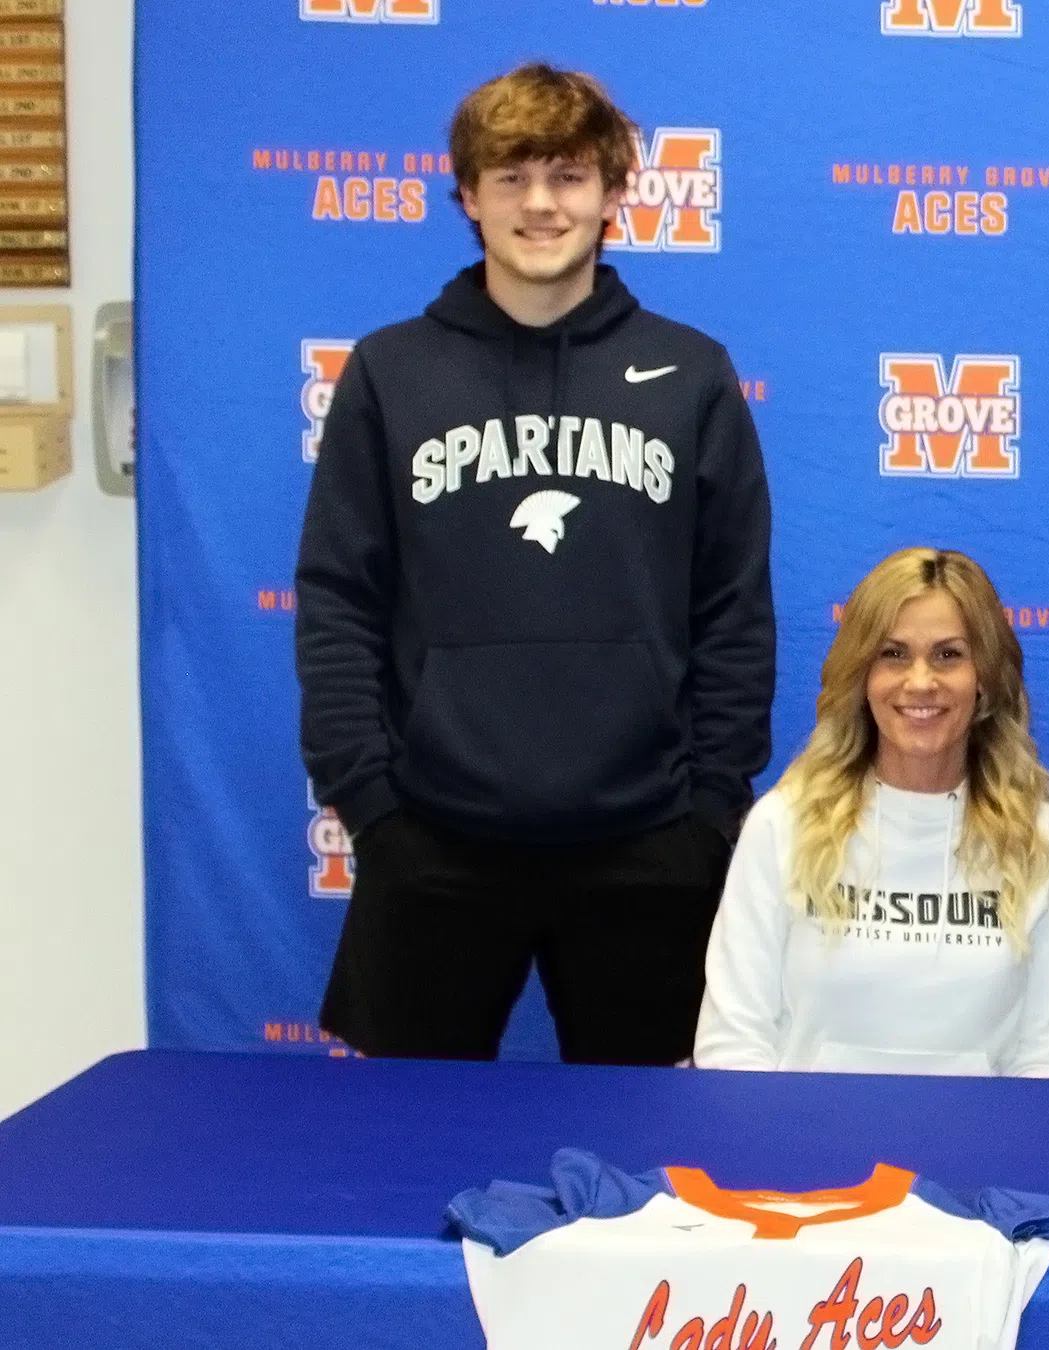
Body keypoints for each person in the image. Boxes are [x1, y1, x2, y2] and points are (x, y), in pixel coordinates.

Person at [296, 64, 774, 1063]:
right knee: (399, 1165)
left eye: (567, 175)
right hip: (432, 835)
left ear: (613, 192)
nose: (542, 204)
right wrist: (374, 805)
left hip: (648, 840)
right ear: (467, 197)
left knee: (652, 1179)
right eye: (510, 178)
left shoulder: (689, 373)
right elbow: (339, 598)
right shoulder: (391, 372)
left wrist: (708, 806)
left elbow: (732, 607)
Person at [694, 548, 1049, 1076]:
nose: (920, 682)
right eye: (893, 654)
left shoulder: (1046, 843)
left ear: (985, 680)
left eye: (949, 655)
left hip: (977, 1151)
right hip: (805, 1147)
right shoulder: (782, 825)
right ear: (861, 675)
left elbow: (1047, 1063)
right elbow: (732, 1043)